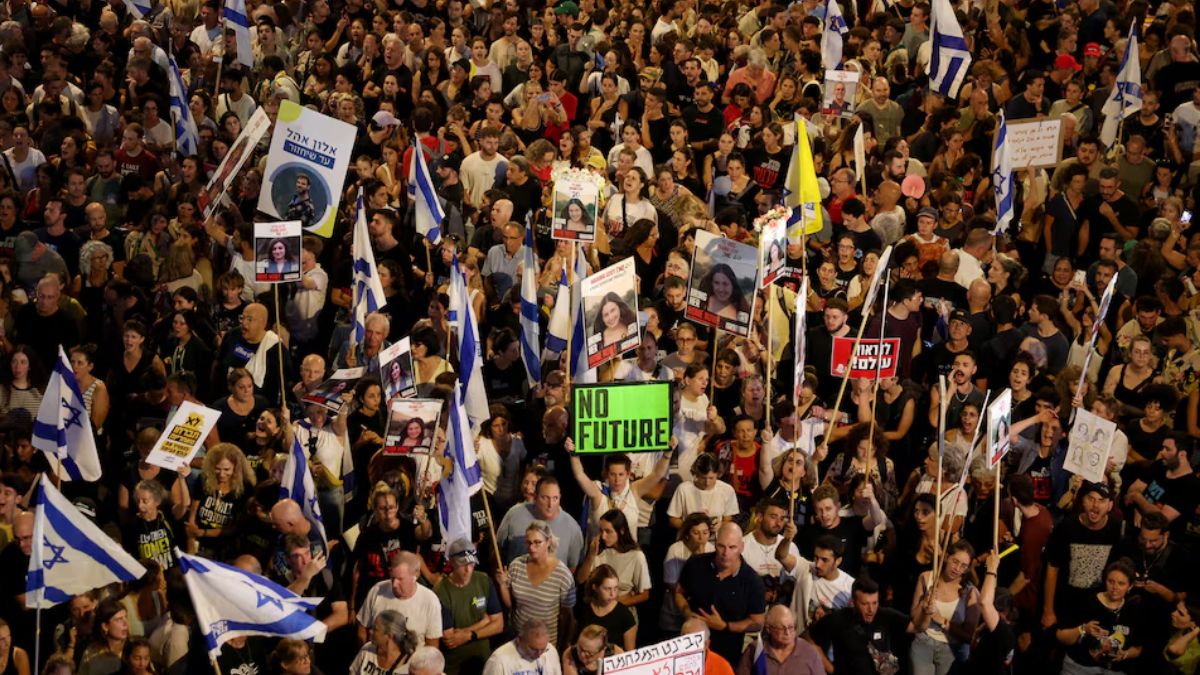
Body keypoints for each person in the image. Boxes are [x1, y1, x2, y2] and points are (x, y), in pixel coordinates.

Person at [675, 521, 767, 665]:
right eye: (721, 546)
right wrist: (686, 612)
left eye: (732, 547)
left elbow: (757, 622)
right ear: (715, 543)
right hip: (690, 652)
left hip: (727, 656)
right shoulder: (696, 564)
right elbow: (679, 592)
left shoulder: (752, 582)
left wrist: (725, 626)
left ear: (741, 547)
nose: (726, 553)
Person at [349, 609, 419, 675]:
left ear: (390, 636)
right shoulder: (367, 649)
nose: (370, 631)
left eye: (375, 629)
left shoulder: (411, 662)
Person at [483, 619, 562, 675]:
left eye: (543, 649)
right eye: (533, 649)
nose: (539, 655)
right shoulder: (499, 661)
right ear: (519, 640)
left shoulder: (551, 650)